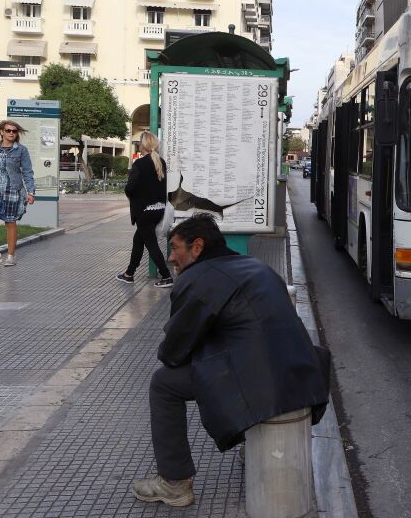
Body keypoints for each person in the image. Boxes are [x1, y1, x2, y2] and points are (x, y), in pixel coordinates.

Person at [132, 215, 330, 507]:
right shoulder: (256, 266)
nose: (172, 258)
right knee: (235, 356)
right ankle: (251, 443)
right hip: (304, 376)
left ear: (197, 247)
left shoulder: (197, 279)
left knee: (164, 383)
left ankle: (174, 482)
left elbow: (173, 353)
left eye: (175, 248)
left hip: (263, 385)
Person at [117, 131, 173, 288]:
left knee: (151, 244)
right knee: (138, 240)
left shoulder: (140, 164)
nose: (139, 145)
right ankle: (129, 273)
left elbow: (130, 187)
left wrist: (130, 194)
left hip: (144, 211)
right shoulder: (160, 162)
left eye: (140, 143)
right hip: (158, 209)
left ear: (143, 145)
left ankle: (166, 276)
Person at [0, 120, 35, 268]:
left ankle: (11, 255)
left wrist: (31, 191)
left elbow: (27, 172)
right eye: (8, 130)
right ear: (1, 132)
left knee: (10, 222)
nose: (11, 133)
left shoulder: (21, 150)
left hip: (12, 189)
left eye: (14, 131)